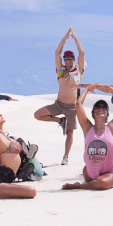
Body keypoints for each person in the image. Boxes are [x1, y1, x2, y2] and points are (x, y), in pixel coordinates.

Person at [33, 27, 86, 165]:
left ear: (73, 59)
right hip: (58, 104)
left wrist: (74, 38)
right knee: (38, 115)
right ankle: (59, 122)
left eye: (70, 58)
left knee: (70, 133)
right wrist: (64, 38)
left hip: (71, 107)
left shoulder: (78, 71)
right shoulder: (60, 71)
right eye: (66, 58)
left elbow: (82, 52)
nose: (68, 60)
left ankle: (66, 156)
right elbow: (57, 53)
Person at [62, 84, 113, 190]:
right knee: (95, 181)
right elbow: (79, 104)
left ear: (107, 113)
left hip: (110, 173)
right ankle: (90, 182)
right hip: (90, 172)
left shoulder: (111, 128)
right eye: (97, 107)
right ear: (93, 113)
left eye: (104, 107)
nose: (101, 108)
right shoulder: (87, 127)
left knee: (101, 183)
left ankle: (78, 186)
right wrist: (88, 89)